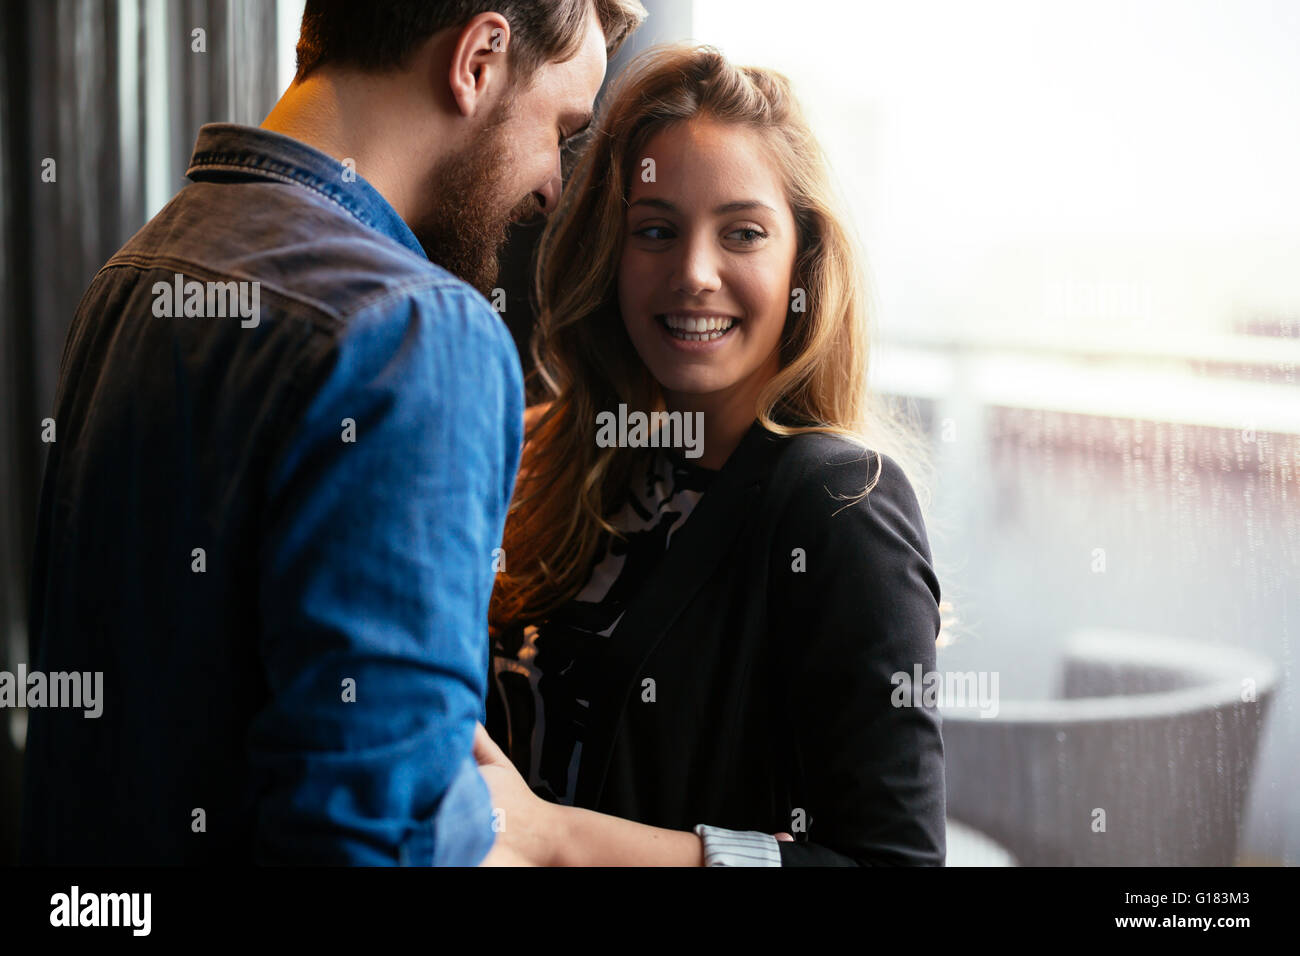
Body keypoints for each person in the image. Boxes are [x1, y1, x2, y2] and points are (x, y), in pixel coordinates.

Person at [19, 0, 645, 866]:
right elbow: (375, 841)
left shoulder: (137, 271)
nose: (551, 184)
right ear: (478, 59)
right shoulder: (418, 331)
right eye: (560, 127)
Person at [481, 43, 948, 866]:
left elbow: (893, 863)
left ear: (803, 259)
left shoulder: (840, 504)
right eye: (654, 231)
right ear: (609, 256)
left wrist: (559, 840)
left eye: (742, 233)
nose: (694, 273)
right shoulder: (550, 450)